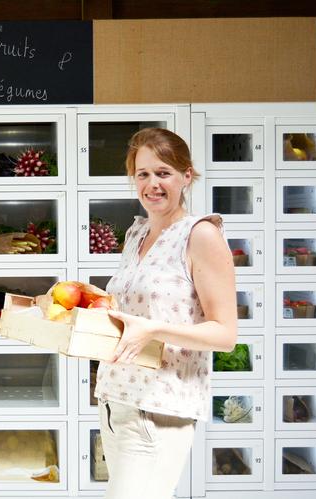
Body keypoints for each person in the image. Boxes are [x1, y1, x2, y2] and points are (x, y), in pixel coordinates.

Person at [95, 128, 237, 499]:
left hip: (158, 409)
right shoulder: (137, 232)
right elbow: (132, 312)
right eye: (143, 174)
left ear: (186, 176)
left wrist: (154, 329)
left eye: (164, 173)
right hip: (116, 400)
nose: (152, 184)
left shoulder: (200, 234)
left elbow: (225, 333)